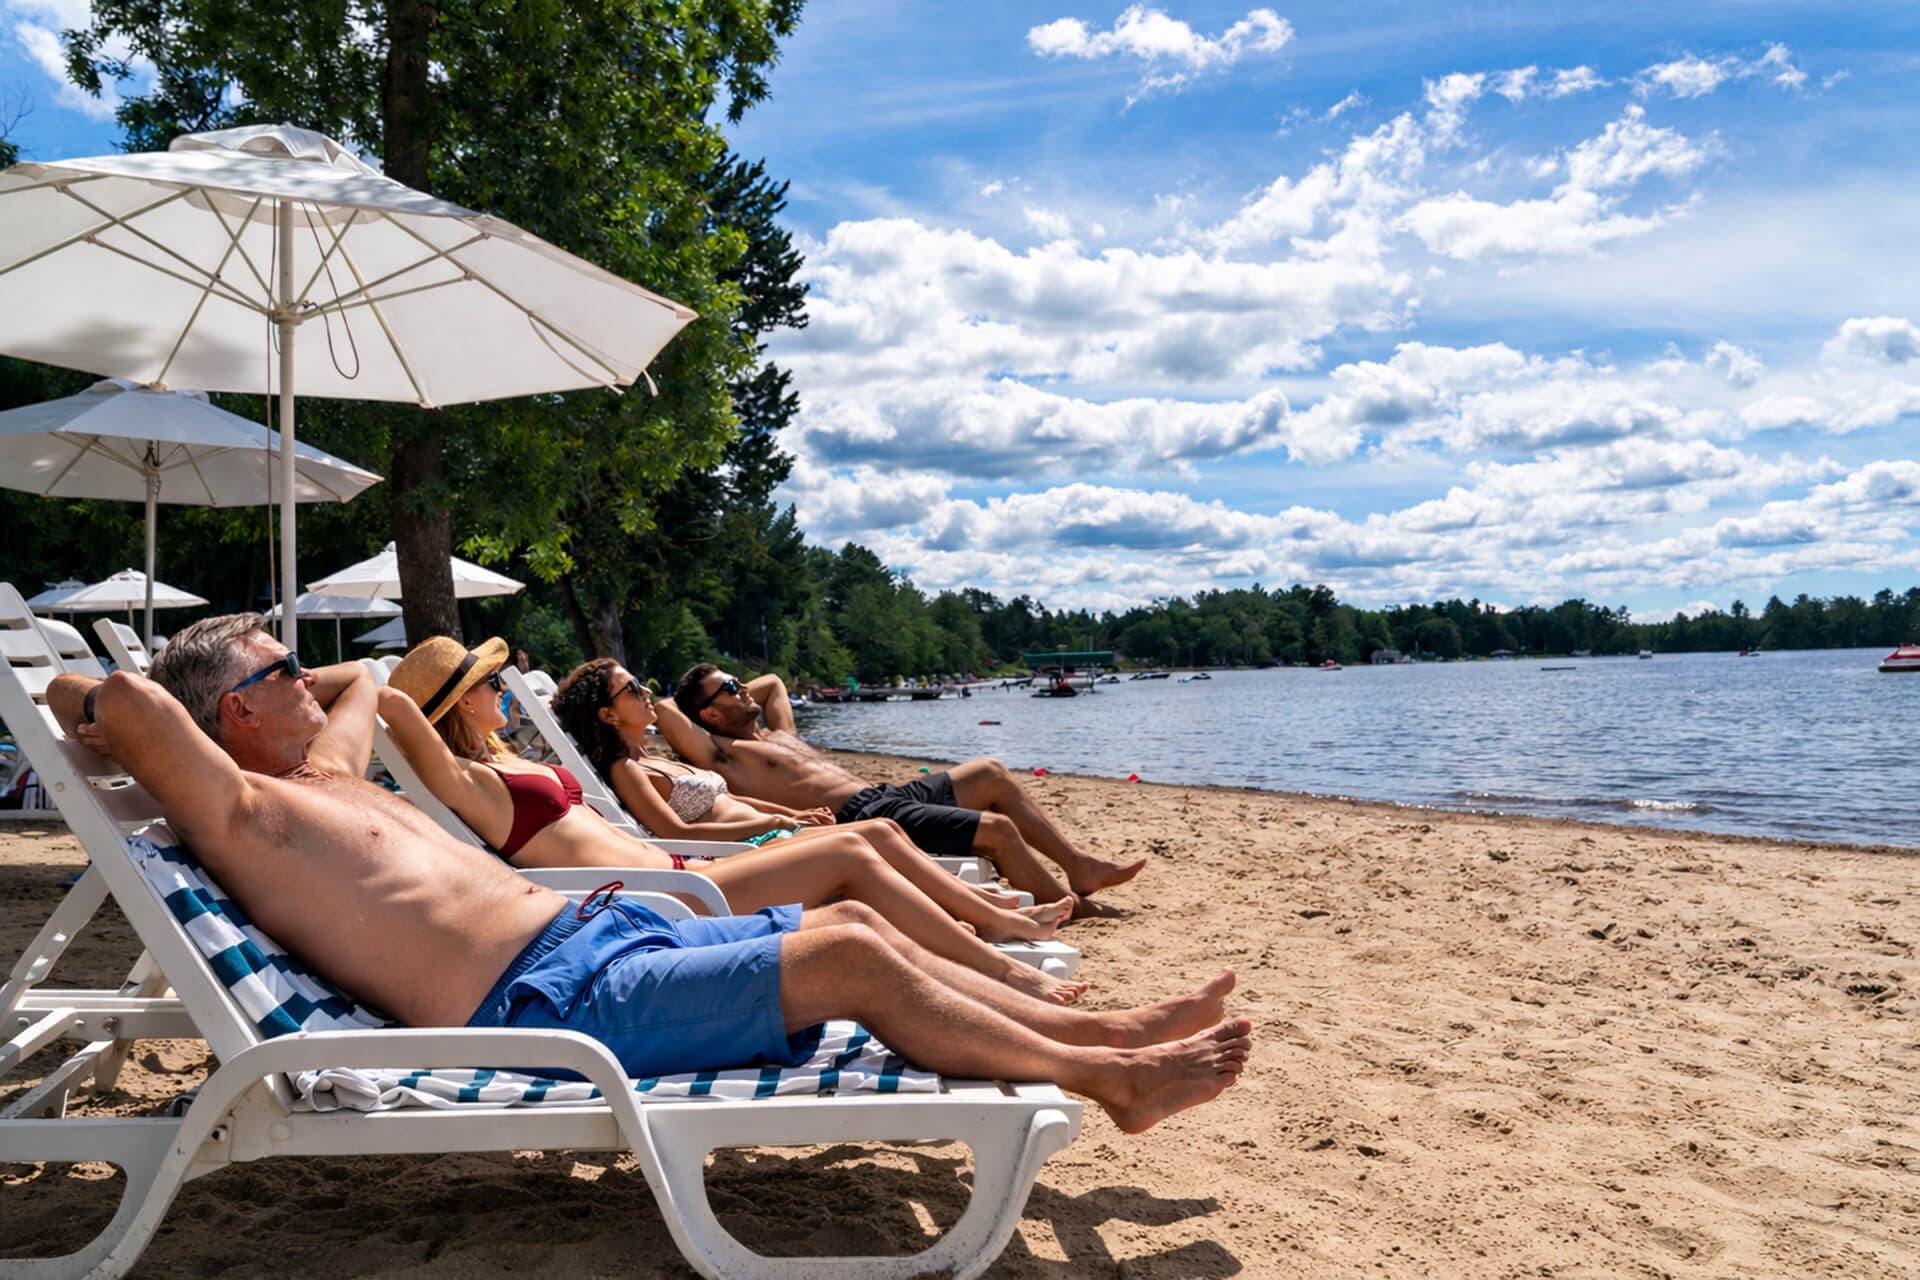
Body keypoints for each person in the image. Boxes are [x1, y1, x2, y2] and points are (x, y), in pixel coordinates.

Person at [45, 614, 1250, 1131]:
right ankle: (1112, 1077)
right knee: (849, 945)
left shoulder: (325, 776)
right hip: (542, 1007)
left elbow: (371, 684)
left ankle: (1111, 1030)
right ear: (227, 718)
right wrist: (98, 705)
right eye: (280, 674)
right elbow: (138, 699)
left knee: (853, 925)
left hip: (602, 936)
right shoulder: (245, 808)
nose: (311, 682)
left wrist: (282, 674)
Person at [382, 636, 1081, 1002]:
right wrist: (363, 684)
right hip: (669, 898)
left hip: (684, 873)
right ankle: (1004, 957)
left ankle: (995, 926)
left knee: (867, 834)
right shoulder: (470, 781)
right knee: (854, 852)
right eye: (488, 682)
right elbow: (405, 720)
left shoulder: (505, 759)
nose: (502, 685)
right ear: (458, 704)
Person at [550, 657, 1073, 939]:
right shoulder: (625, 768)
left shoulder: (659, 760)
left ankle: (980, 907)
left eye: (641, 686)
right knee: (877, 832)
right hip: (745, 849)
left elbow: (738, 783)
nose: (645, 694)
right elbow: (677, 835)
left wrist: (788, 814)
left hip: (774, 830)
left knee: (884, 832)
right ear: (607, 715)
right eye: (631, 691)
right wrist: (776, 826)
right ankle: (989, 916)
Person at [658, 665, 1147, 918]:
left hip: (888, 793)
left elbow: (774, 684)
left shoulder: (774, 734)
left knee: (991, 772)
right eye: (729, 688)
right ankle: (1067, 904)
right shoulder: (724, 755)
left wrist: (730, 688)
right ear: (710, 716)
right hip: (860, 815)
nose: (744, 689)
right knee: (996, 830)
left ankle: (1077, 864)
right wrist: (699, 697)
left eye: (739, 682)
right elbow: (665, 709)